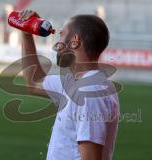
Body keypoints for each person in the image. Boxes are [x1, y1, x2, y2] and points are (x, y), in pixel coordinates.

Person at [19, 10, 120, 160]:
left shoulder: (89, 91)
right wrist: (26, 33)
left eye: (61, 34)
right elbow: (33, 83)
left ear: (75, 41)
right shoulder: (77, 82)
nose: (57, 43)